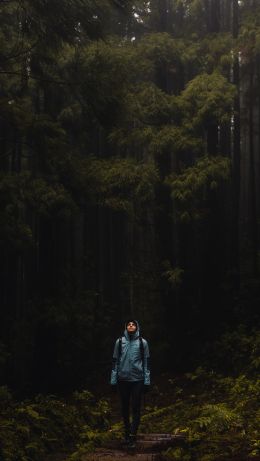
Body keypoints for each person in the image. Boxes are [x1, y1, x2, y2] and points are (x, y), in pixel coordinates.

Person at [110, 319, 150, 447]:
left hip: (138, 380)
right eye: (129, 324)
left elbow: (146, 363)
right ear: (126, 327)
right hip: (123, 380)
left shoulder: (142, 342)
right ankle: (127, 434)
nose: (131, 325)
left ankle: (133, 435)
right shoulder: (120, 341)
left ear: (137, 327)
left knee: (136, 407)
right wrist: (113, 380)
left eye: (133, 324)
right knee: (125, 408)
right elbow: (115, 361)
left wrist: (147, 381)